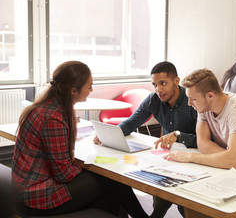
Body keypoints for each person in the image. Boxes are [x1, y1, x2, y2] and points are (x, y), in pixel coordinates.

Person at [12, 61, 148, 217]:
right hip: (36, 196)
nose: (91, 90)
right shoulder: (52, 117)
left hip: (25, 191)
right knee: (114, 180)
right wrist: (92, 166)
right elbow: (64, 174)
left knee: (112, 198)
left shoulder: (46, 107)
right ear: (73, 90)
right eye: (89, 86)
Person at [94, 61, 197, 218]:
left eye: (163, 83)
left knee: (180, 204)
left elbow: (205, 140)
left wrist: (179, 135)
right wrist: (109, 133)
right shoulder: (153, 99)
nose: (158, 90)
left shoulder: (191, 100)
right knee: (155, 189)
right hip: (169, 156)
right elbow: (131, 122)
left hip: (195, 157)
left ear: (176, 81)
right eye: (154, 85)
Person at [164, 68, 236, 168]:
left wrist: (189, 157)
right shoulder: (204, 107)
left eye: (193, 99)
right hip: (235, 168)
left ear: (210, 96)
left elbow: (232, 161)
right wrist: (227, 157)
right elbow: (203, 145)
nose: (189, 103)